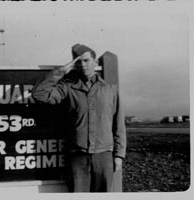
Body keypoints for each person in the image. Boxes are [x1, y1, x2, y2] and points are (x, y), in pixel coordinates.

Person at [32, 44, 126, 192]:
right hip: (77, 157)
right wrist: (62, 71)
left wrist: (119, 155)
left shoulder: (110, 89)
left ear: (95, 62)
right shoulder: (68, 88)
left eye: (86, 60)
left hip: (104, 156)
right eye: (78, 62)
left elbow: (119, 124)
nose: (83, 65)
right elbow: (39, 94)